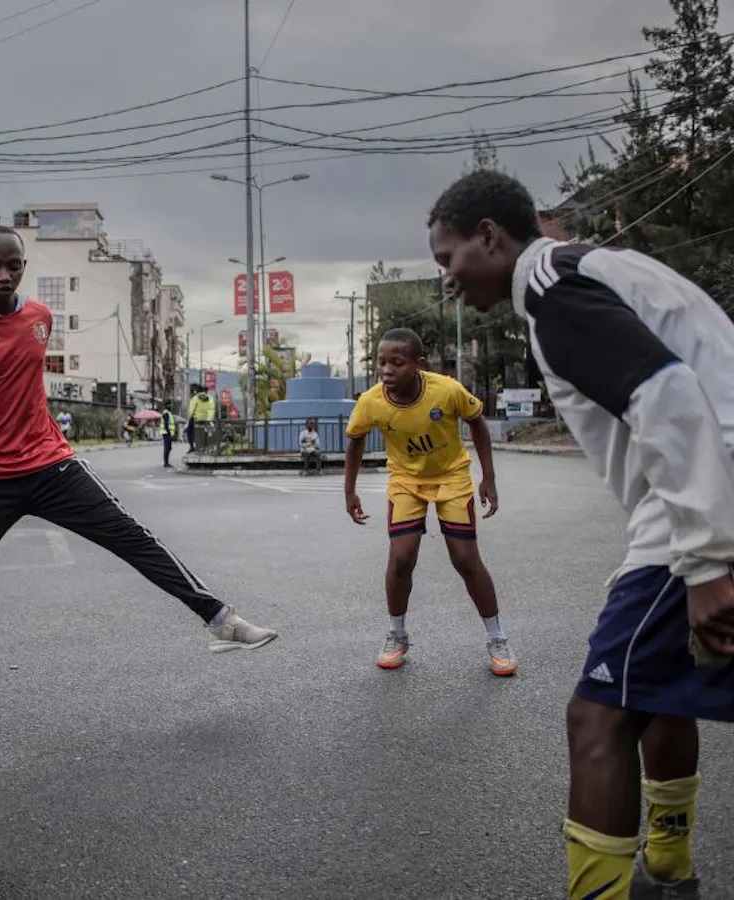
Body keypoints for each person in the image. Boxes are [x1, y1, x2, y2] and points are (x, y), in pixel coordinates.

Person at [427, 168, 734, 899]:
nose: (446, 279)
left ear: (490, 237)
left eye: (448, 258)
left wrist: (706, 559)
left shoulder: (551, 291)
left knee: (596, 715)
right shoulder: (597, 267)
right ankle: (669, 869)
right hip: (697, 500)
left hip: (709, 500)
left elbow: (669, 398)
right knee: (657, 689)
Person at [0, 225, 278, 713]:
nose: (3, 274)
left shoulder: (39, 317)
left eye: (13, 265)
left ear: (23, 267)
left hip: (49, 464)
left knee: (132, 535)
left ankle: (219, 620)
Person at [344, 327, 516, 678]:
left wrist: (489, 478)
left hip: (451, 477)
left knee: (466, 559)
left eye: (397, 362)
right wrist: (350, 490)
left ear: (418, 364)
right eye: (381, 362)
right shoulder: (371, 402)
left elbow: (478, 424)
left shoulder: (447, 390)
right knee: (401, 557)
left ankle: (497, 638)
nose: (387, 370)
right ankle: (397, 634)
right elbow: (356, 440)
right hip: (406, 481)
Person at [188, 388, 217, 452]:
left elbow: (192, 410)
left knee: (193, 433)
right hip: (206, 420)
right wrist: (209, 418)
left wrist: (190, 417)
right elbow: (212, 409)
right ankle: (207, 447)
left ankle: (193, 447)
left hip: (197, 419)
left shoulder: (195, 398)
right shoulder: (210, 399)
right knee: (207, 433)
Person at [161, 404, 176, 468]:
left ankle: (167, 462)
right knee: (167, 448)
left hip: (167, 433)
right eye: (169, 405)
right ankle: (166, 463)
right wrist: (169, 433)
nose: (171, 406)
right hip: (167, 433)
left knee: (168, 448)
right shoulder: (166, 413)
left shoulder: (168, 413)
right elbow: (166, 424)